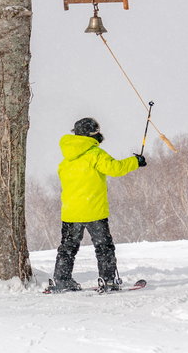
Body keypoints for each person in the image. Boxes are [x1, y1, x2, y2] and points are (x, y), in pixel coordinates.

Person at [48, 117, 146, 292]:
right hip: (94, 211)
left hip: (71, 212)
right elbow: (115, 169)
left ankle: (61, 280)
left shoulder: (66, 161)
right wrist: (135, 162)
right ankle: (108, 280)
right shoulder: (95, 154)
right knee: (103, 247)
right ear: (92, 135)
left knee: (68, 248)